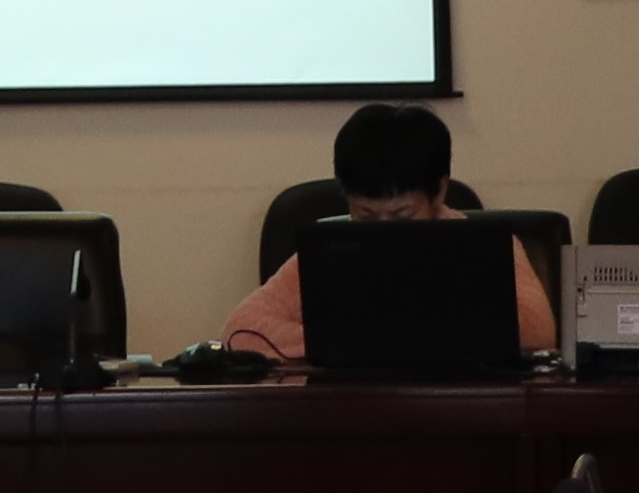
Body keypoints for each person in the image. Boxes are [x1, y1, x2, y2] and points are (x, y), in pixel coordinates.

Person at [218, 103, 558, 364]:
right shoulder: (333, 248)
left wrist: (373, 340)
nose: (383, 231)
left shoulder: (484, 245)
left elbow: (537, 330)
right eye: (366, 215)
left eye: (402, 215)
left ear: (439, 191)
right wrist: (355, 343)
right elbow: (241, 328)